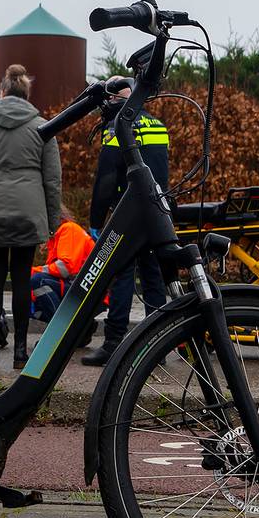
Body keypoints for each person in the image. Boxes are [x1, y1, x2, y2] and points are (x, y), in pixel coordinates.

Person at [0, 64, 61, 370]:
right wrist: (52, 221)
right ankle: (20, 351)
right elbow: (52, 179)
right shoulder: (42, 127)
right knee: (20, 279)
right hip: (28, 213)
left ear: (1, 92)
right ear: (26, 93)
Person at [82, 77, 170, 367]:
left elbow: (106, 178)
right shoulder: (158, 125)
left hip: (128, 212)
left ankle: (113, 343)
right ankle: (157, 346)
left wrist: (96, 221)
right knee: (153, 278)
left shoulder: (117, 127)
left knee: (120, 275)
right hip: (157, 209)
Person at [30, 204, 95, 324]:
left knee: (37, 281)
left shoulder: (68, 229)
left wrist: (34, 271)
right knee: (30, 295)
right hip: (82, 285)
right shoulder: (61, 233)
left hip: (84, 288)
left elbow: (64, 268)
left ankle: (60, 329)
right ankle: (80, 327)